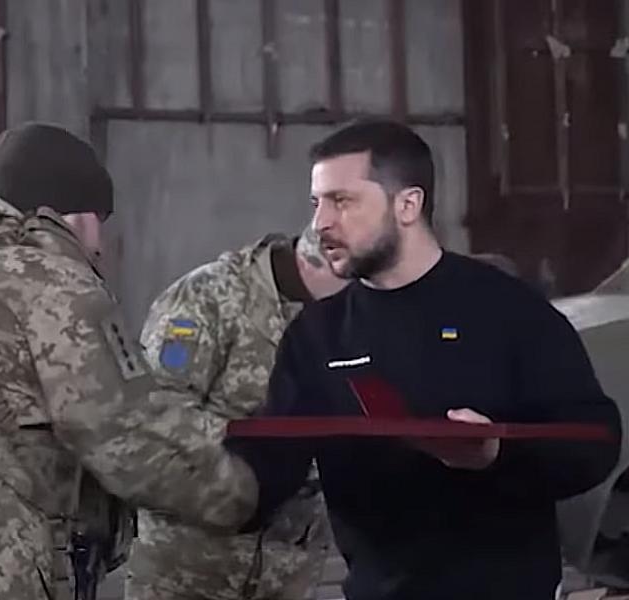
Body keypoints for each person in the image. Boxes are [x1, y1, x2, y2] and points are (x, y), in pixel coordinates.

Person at [0, 123, 257, 600]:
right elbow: (126, 432)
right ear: (74, 216)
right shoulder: (43, 276)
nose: (99, 246)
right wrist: (243, 489)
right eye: (100, 220)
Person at [226, 119, 622, 600]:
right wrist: (208, 473)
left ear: (408, 205)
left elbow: (595, 442)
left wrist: (497, 455)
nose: (320, 224)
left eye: (342, 201)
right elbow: (271, 466)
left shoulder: (510, 311)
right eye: (316, 203)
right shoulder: (318, 334)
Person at [124, 227, 348, 600]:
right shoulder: (208, 297)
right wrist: (265, 453)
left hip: (288, 575)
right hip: (188, 573)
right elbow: (154, 417)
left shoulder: (353, 317)